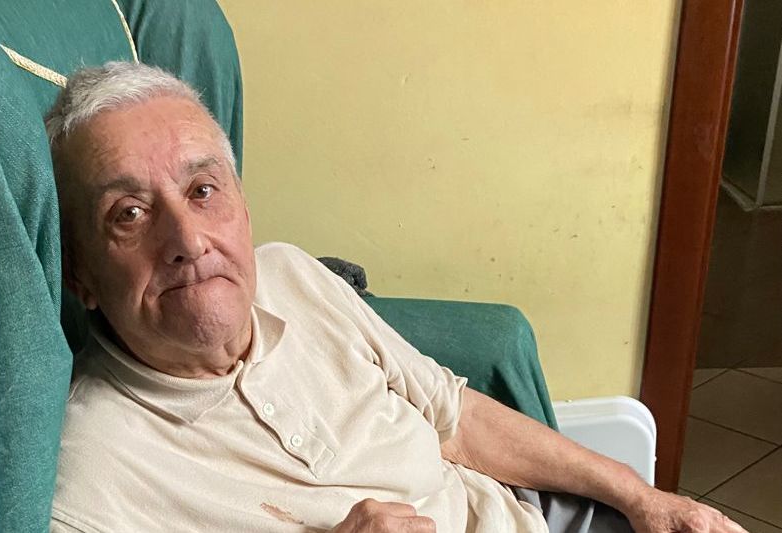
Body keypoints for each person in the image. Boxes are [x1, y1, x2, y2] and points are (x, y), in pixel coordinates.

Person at [45, 61, 743, 533]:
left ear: (243, 211)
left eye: (203, 191)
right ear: (81, 276)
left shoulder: (291, 274)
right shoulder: (89, 480)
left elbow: (455, 420)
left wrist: (642, 496)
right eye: (129, 213)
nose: (188, 239)